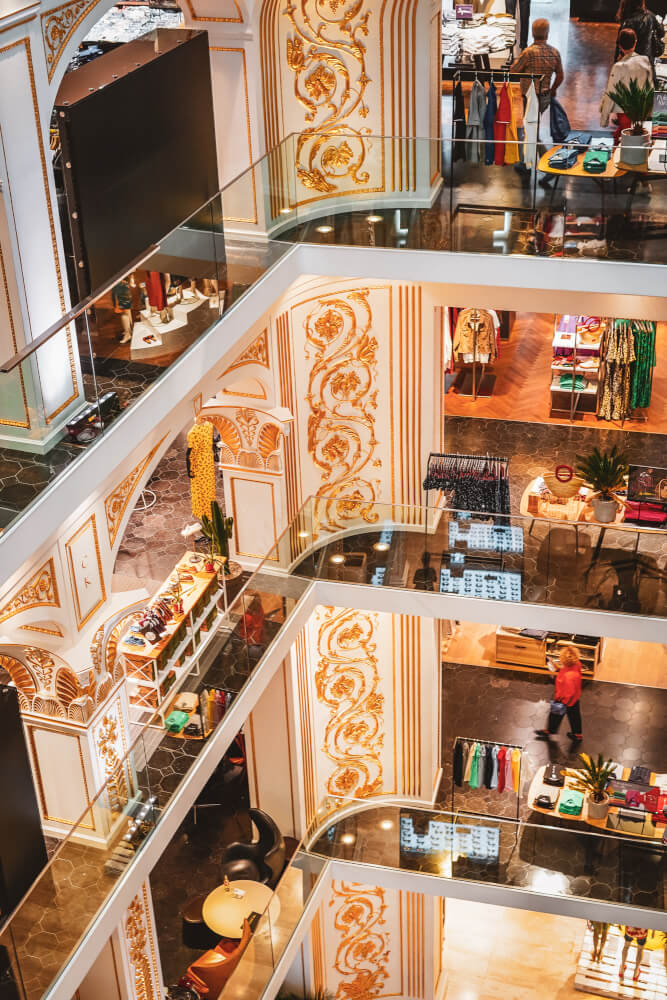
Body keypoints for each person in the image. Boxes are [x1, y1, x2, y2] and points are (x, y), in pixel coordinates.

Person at [601, 28, 653, 141]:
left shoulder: (619, 66)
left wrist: (604, 119)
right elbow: (650, 88)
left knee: (624, 140)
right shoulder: (645, 60)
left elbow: (610, 93)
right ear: (635, 42)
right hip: (641, 112)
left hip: (624, 113)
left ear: (619, 45)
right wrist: (650, 112)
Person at [511, 18, 564, 116]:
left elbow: (513, 70)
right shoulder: (554, 52)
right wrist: (553, 89)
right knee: (537, 118)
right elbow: (560, 76)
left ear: (532, 34)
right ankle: (536, 130)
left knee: (529, 121)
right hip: (545, 96)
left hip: (529, 95)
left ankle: (531, 131)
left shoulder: (528, 53)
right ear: (547, 34)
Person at [535, 644, 583, 743]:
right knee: (575, 717)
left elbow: (568, 693)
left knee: (555, 715)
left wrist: (559, 700)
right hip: (575, 698)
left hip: (564, 700)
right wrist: (556, 666)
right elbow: (567, 672)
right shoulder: (576, 664)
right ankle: (577, 734)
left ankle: (549, 730)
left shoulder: (568, 677)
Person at [616, 0, 664, 71]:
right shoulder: (650, 16)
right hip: (647, 62)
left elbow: (620, 46)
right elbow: (661, 33)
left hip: (630, 64)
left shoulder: (627, 22)